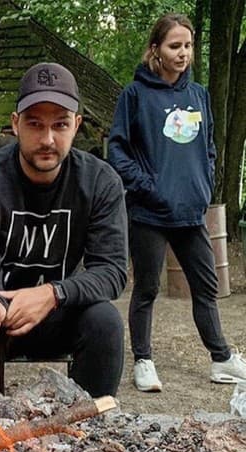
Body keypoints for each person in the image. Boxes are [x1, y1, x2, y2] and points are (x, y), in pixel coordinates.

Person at [0, 62, 128, 398]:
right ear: (16, 125)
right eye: (34, 124)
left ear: (77, 125)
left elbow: (111, 271)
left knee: (105, 320)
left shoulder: (100, 183)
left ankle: (90, 431)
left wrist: (52, 294)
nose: (47, 139)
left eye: (60, 124)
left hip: (60, 311)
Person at [107, 13, 246, 392]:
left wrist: (204, 184)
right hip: (149, 212)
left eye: (187, 46)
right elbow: (117, 151)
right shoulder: (134, 96)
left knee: (206, 286)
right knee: (148, 288)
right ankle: (144, 361)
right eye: (174, 46)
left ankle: (221, 360)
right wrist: (148, 186)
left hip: (190, 212)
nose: (183, 53)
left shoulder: (197, 94)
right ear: (156, 50)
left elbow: (209, 146)